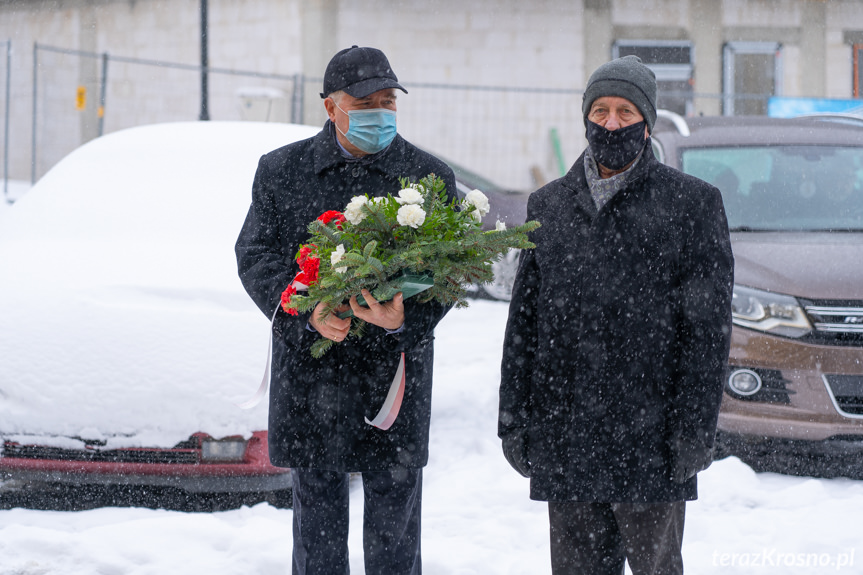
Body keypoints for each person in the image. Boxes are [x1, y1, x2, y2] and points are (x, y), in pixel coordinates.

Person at [497, 55, 734, 575]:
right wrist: (513, 419)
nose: (610, 123)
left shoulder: (691, 205)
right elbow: (525, 324)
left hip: (652, 439)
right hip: (569, 436)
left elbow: (707, 333)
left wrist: (695, 428)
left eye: (625, 111)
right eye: (600, 110)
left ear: (646, 122)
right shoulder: (550, 205)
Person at [235, 45, 456, 575]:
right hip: (314, 375)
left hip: (391, 377)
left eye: (388, 101)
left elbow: (449, 275)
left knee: (395, 534)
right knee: (318, 533)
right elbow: (255, 254)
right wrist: (302, 313)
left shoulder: (427, 178)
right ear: (330, 108)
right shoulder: (282, 171)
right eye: (363, 103)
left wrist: (405, 319)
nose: (379, 113)